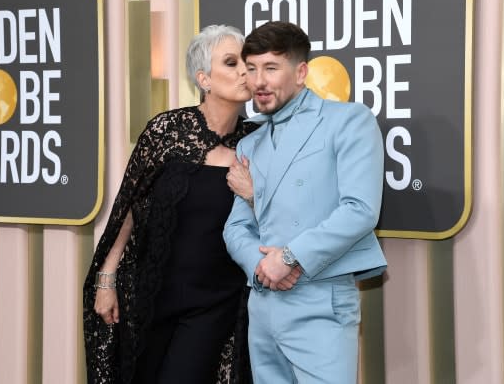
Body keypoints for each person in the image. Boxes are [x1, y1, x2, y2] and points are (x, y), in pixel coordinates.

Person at [82, 24, 263, 384]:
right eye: (231, 62)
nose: (245, 71)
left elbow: (277, 217)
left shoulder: (258, 142)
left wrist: (253, 194)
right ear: (204, 78)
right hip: (153, 294)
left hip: (216, 301)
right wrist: (107, 278)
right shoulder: (166, 131)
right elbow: (128, 209)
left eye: (247, 62)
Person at [223, 21, 388, 383]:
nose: (259, 81)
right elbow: (236, 227)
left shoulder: (348, 120)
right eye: (251, 69)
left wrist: (289, 257)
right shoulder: (250, 143)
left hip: (319, 298)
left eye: (271, 68)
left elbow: (360, 209)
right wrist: (261, 267)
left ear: (300, 73)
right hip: (263, 302)